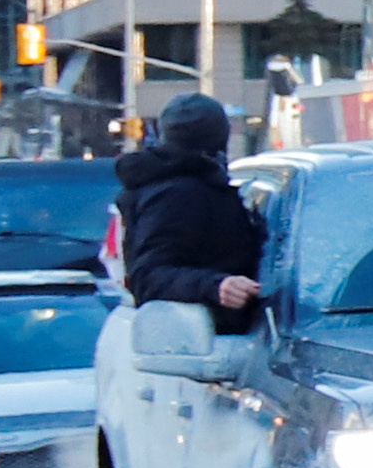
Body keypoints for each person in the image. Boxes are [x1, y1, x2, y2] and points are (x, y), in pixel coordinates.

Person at [112, 93, 265, 317]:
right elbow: (148, 276)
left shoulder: (180, 184)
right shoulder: (179, 193)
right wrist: (215, 286)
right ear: (221, 137)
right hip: (202, 338)